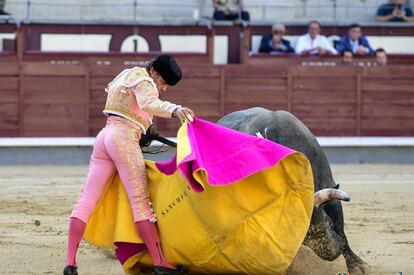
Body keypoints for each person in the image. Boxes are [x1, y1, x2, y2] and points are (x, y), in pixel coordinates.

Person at [63, 55, 194, 275]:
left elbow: (130, 108)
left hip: (105, 136)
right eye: (163, 83)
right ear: (155, 73)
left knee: (85, 200)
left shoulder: (126, 75)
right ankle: (160, 263)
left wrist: (143, 126)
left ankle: (70, 263)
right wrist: (175, 109)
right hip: (123, 139)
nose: (162, 89)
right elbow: (148, 103)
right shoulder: (144, 80)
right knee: (141, 203)